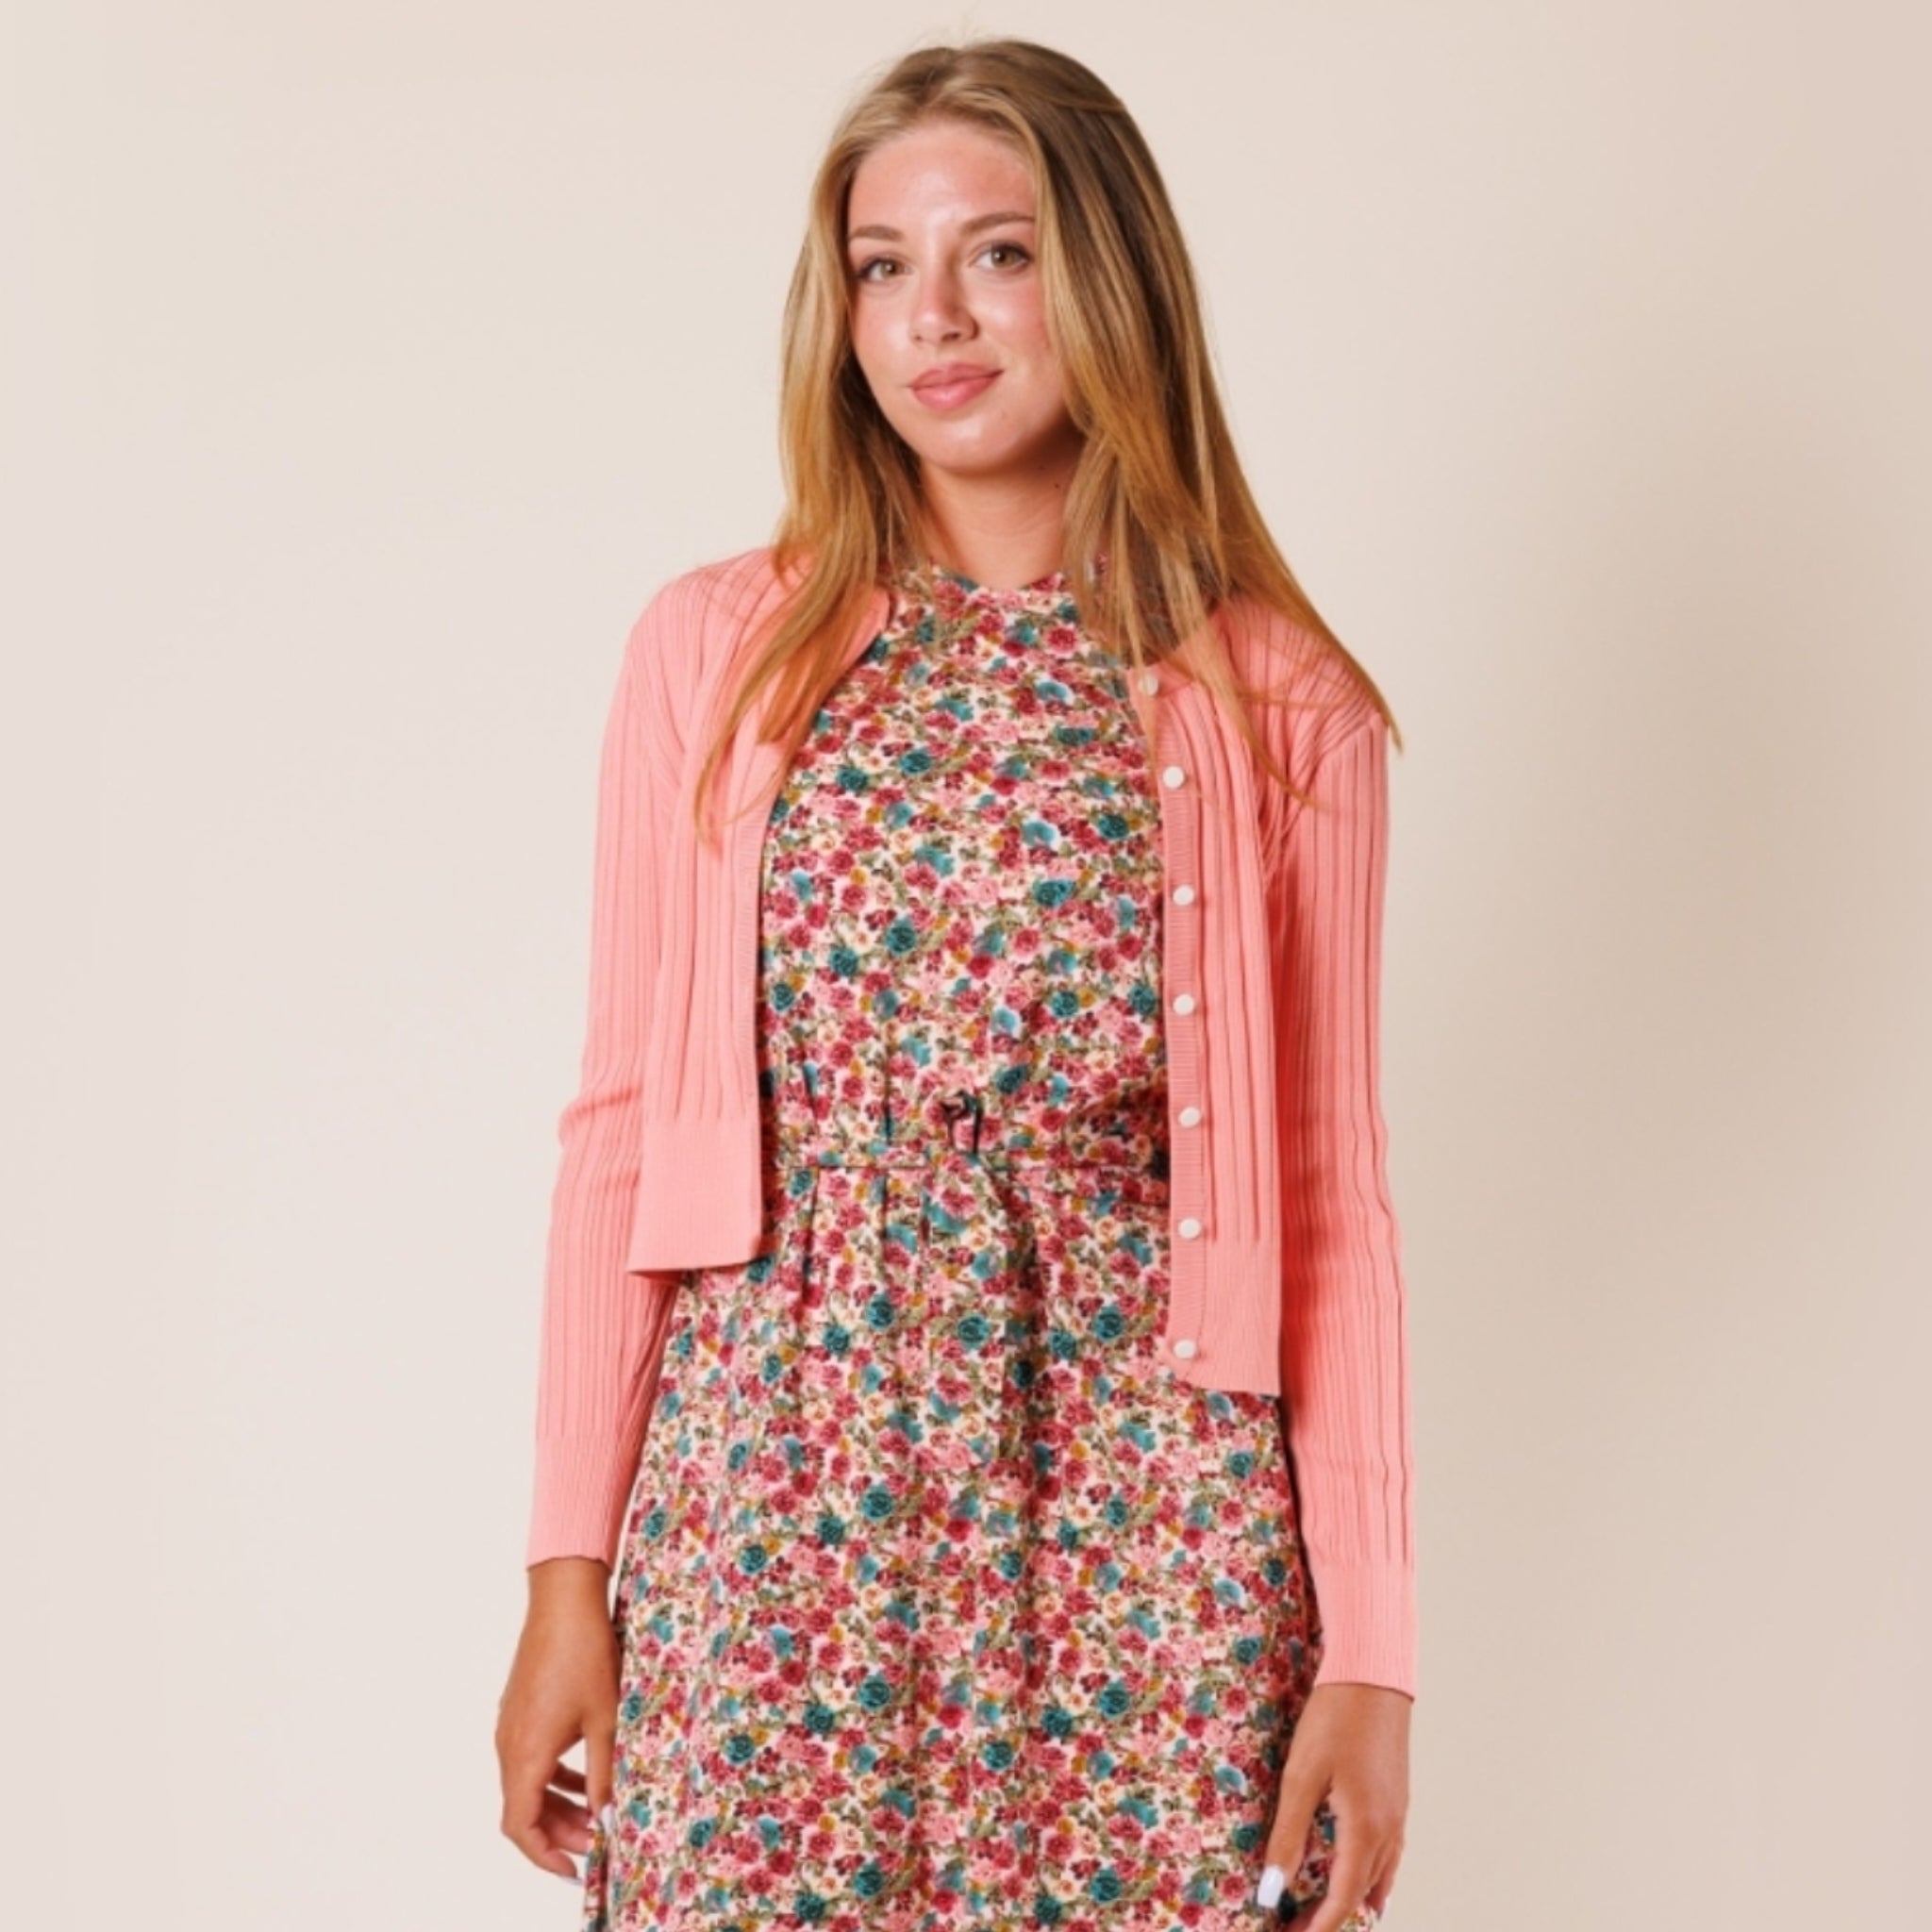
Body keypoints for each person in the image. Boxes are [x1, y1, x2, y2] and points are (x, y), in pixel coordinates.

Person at [496, 36, 1415, 1932]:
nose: (935, 316)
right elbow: (620, 1129)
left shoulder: (1284, 705)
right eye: (881, 264)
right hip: (779, 1482)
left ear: (1111, 278)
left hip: (1150, 1516)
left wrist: (1375, 1655)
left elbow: (1328, 1193)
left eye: (999, 253)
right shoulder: (714, 653)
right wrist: (565, 1571)